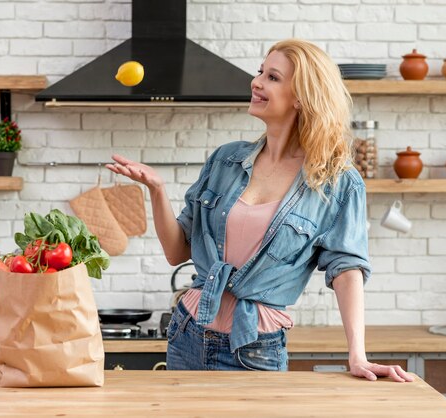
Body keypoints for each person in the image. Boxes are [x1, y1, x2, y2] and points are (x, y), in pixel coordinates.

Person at [106, 38, 414, 382]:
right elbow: (176, 251)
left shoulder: (337, 182)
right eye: (259, 72)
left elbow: (347, 270)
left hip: (255, 348)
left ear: (302, 96)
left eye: (273, 77)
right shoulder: (226, 159)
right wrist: (157, 190)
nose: (256, 82)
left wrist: (357, 354)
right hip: (187, 334)